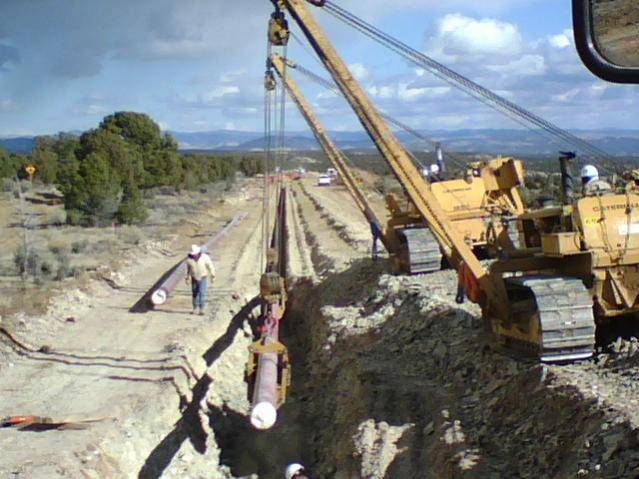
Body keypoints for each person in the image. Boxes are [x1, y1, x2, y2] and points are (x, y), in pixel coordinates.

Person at [185, 244, 215, 315]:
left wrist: (213, 275)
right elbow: (188, 269)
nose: (194, 256)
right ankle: (195, 308)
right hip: (194, 277)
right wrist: (187, 278)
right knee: (195, 293)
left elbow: (210, 266)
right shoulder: (189, 260)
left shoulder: (204, 257)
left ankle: (201, 309)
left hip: (203, 277)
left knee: (202, 293)